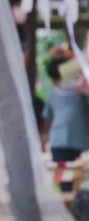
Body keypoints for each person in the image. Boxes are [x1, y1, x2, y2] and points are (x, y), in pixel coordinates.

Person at [42, 57, 89, 192]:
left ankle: (76, 204)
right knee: (64, 177)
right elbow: (47, 119)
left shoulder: (80, 94)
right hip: (60, 142)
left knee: (78, 176)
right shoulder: (54, 95)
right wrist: (45, 136)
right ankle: (69, 204)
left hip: (78, 142)